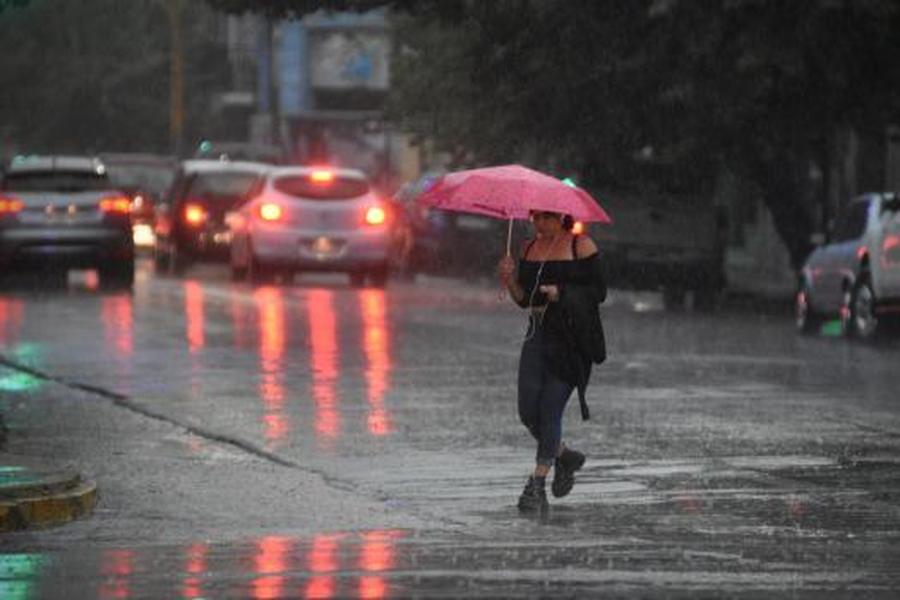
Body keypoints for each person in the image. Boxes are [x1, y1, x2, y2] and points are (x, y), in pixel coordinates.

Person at [497, 210, 607, 513]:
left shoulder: (581, 246)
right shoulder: (528, 248)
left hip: (572, 340)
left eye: (547, 217)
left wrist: (562, 293)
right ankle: (564, 456)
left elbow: (599, 292)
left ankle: (536, 483)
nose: (540, 224)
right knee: (528, 410)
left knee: (550, 409)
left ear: (562, 216)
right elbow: (525, 300)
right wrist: (508, 280)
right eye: (536, 217)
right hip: (538, 336)